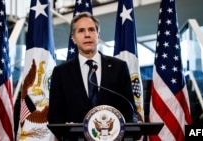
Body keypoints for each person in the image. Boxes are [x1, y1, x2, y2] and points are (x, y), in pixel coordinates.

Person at [47, 12, 137, 140]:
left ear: (98, 35)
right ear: (73, 38)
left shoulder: (119, 67)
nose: (87, 34)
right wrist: (65, 127)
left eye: (91, 30)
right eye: (81, 31)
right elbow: (55, 114)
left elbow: (129, 108)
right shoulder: (61, 72)